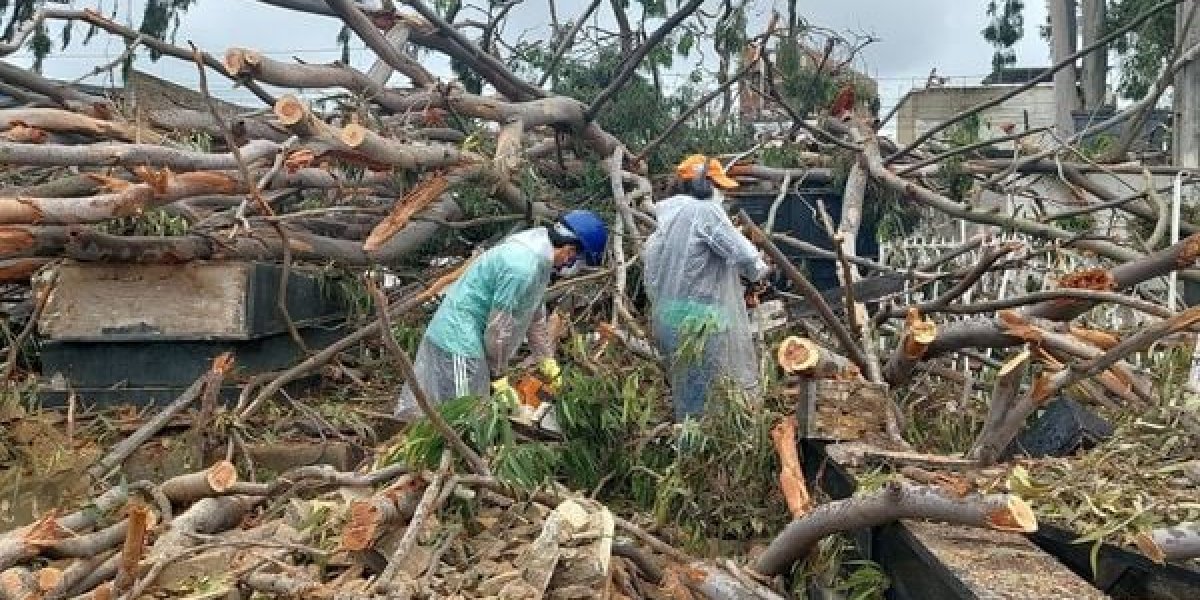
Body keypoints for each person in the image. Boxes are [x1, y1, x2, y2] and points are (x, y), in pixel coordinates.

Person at [395, 210, 609, 419]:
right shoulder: (522, 267)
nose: (572, 268)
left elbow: (534, 316)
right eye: (579, 262)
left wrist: (548, 363)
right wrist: (499, 375)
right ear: (569, 251)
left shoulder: (538, 261)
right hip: (458, 342)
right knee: (464, 420)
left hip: (470, 340)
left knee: (460, 416)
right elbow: (499, 327)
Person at [643, 154, 769, 421]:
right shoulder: (703, 211)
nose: (721, 193)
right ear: (702, 185)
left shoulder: (666, 214)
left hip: (667, 317)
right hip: (701, 320)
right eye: (717, 185)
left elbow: (652, 274)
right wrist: (760, 271)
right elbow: (745, 255)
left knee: (685, 392)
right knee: (709, 396)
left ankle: (689, 445)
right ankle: (699, 451)